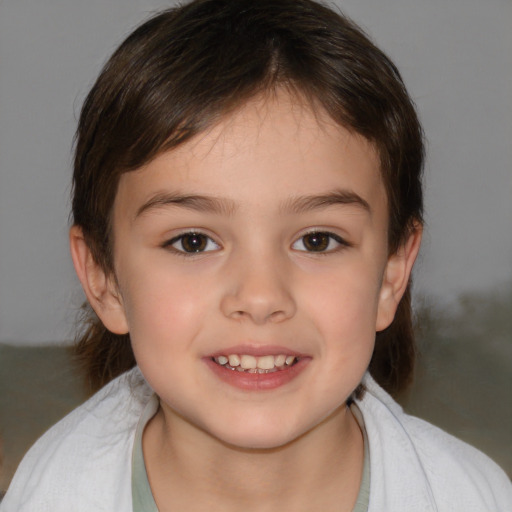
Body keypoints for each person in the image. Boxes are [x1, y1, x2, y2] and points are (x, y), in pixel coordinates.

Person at [1, 0, 510, 510]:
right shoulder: (46, 496)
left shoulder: (475, 497)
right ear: (104, 279)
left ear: (391, 275)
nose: (261, 297)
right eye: (193, 242)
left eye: (317, 240)